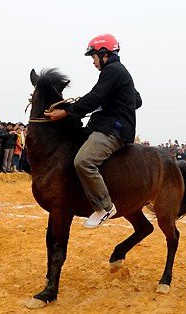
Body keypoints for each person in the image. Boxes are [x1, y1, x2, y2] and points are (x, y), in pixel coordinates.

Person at [43, 33, 142, 228]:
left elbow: (95, 96)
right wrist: (111, 102)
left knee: (84, 161)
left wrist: (66, 112)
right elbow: (136, 100)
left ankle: (104, 207)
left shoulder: (113, 71)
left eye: (94, 57)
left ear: (104, 53)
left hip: (113, 130)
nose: (93, 62)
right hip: (106, 125)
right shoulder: (118, 72)